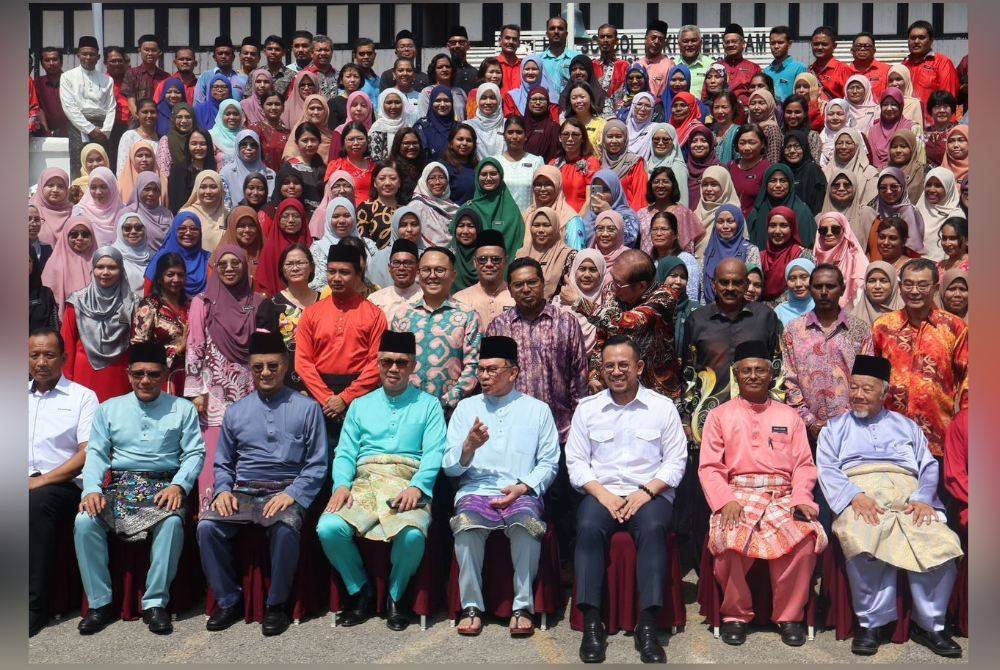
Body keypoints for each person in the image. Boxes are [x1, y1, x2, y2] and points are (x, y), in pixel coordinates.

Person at [816, 355, 963, 658]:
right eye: (854, 387)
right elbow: (827, 468)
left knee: (940, 542)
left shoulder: (907, 426)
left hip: (909, 495)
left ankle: (931, 624)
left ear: (884, 394)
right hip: (862, 494)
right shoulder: (834, 428)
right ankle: (871, 624)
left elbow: (928, 466)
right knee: (863, 538)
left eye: (867, 389)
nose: (858, 394)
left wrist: (923, 497)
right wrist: (853, 495)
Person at [197, 330, 326, 637]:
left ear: (285, 365)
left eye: (272, 365)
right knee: (207, 527)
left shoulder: (308, 408)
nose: (265, 373)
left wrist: (293, 493)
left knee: (285, 528)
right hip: (243, 491)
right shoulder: (236, 411)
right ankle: (229, 601)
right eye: (258, 367)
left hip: (285, 490)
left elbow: (317, 463)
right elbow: (223, 462)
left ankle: (276, 605)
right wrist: (223, 490)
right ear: (250, 369)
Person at [567, 334, 687, 663]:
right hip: (601, 492)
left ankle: (647, 627)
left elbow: (676, 461)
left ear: (639, 367)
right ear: (601, 369)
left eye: (624, 365)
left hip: (649, 493)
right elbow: (576, 462)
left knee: (653, 529)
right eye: (609, 366)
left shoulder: (661, 408)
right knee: (588, 526)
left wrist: (645, 492)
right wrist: (603, 495)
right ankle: (592, 625)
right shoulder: (588, 409)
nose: (616, 372)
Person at [699, 340, 827, 647]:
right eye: (746, 370)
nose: (753, 376)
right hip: (737, 493)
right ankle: (735, 615)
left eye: (760, 370)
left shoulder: (789, 416)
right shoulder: (720, 415)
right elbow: (710, 467)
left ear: (771, 374)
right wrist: (725, 501)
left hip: (783, 496)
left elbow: (804, 465)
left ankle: (789, 616)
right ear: (736, 375)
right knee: (729, 538)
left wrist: (801, 499)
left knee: (804, 538)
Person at [317, 330, 446, 630]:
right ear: (377, 363)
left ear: (413, 366)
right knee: (328, 527)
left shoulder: (429, 405)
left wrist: (418, 486)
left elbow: (434, 452)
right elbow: (345, 452)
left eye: (402, 362)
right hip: (364, 481)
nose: (393, 368)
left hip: (407, 482)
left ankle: (395, 596)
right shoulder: (360, 405)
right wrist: (341, 485)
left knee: (412, 534)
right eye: (387, 361)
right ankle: (360, 590)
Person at [73, 342, 204, 635]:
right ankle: (100, 604)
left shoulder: (182, 408)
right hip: (121, 486)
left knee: (172, 522)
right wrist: (91, 489)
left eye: (153, 374)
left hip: (163, 486)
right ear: (128, 374)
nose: (145, 380)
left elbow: (194, 453)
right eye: (139, 374)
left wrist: (179, 486)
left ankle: (155, 603)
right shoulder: (109, 409)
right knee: (84, 521)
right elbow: (96, 453)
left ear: (165, 375)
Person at [443, 335, 560, 636]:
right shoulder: (466, 409)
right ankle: (471, 606)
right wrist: (468, 447)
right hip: (475, 489)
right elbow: (449, 466)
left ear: (513, 372)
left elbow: (549, 462)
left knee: (525, 526)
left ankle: (522, 607)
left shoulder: (537, 410)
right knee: (465, 525)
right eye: (481, 369)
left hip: (520, 490)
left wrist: (523, 487)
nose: (484, 376)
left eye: (492, 369)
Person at [28, 328, 99, 637]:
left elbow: (87, 453)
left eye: (49, 355)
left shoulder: (82, 396)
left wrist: (40, 481)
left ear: (64, 358)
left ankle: (34, 606)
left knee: (35, 503)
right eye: (34, 355)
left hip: (64, 485)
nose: (41, 362)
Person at [872, 259, 967, 459]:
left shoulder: (954, 327)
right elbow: (871, 379)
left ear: (935, 288)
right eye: (908, 284)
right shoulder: (882, 327)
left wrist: (965, 421)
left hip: (938, 436)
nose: (914, 291)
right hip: (891, 436)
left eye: (922, 285)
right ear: (900, 287)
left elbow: (969, 377)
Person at [294, 243, 387, 444]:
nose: (336, 278)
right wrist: (327, 398)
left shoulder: (374, 315)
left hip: (360, 396)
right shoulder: (311, 313)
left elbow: (376, 363)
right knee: (318, 454)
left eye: (344, 272)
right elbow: (303, 362)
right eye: (331, 271)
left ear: (358, 275)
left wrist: (345, 398)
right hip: (318, 395)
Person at [61, 246, 136, 402]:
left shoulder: (133, 303)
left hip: (119, 374)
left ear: (121, 270)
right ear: (93, 269)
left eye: (112, 267)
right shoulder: (77, 302)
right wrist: (66, 382)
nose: (105, 272)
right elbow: (67, 345)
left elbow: (137, 344)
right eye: (100, 267)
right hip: (83, 374)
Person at [61, 36, 118, 180]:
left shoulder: (107, 79)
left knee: (102, 164)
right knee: (79, 164)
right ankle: (78, 193)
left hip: (102, 128)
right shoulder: (67, 77)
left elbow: (111, 107)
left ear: (98, 57)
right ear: (78, 55)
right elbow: (69, 107)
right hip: (79, 127)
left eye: (92, 54)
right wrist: (90, 129)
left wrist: (105, 130)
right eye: (84, 54)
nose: (88, 57)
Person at [453, 229, 516, 330]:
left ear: (505, 261)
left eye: (496, 259)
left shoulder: (516, 298)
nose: (489, 264)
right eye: (482, 259)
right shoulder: (460, 300)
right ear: (475, 262)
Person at [747, 164, 819, 249]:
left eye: (783, 181)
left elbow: (809, 243)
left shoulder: (802, 211)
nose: (778, 185)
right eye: (773, 181)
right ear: (765, 184)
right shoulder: (758, 212)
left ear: (790, 184)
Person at [902, 20, 959, 121]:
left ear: (931, 40)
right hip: (907, 124)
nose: (916, 41)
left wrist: (943, 126)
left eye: (921, 37)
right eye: (913, 38)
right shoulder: (903, 66)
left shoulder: (942, 63)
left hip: (932, 125)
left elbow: (948, 99)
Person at [515, 208, 576, 299]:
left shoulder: (569, 255)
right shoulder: (521, 254)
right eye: (536, 225)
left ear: (555, 227)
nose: (541, 230)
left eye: (546, 225)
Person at [813, 212, 868, 308]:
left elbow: (860, 299)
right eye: (823, 230)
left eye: (835, 229)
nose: (829, 233)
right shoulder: (812, 259)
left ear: (844, 231)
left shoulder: (857, 260)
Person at [761, 207, 813, 302]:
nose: (777, 231)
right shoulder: (761, 257)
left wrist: (773, 307)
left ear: (792, 228)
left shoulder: (803, 255)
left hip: (794, 307)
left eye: (783, 226)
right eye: (772, 225)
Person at [368, 238, 422, 325]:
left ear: (417, 268)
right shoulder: (375, 300)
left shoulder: (427, 297)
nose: (401, 268)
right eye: (396, 263)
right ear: (389, 268)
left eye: (407, 263)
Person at [408, 162, 459, 248]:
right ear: (424, 181)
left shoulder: (453, 208)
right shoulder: (416, 206)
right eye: (432, 178)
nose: (437, 182)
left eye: (441, 177)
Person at [194, 37, 247, 105]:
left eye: (227, 53)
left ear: (233, 57)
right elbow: (198, 103)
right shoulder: (205, 77)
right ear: (214, 57)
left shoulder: (242, 79)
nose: (223, 56)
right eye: (220, 53)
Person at [718, 24, 762, 107]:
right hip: (721, 111)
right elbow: (706, 95)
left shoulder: (754, 68)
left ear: (743, 44)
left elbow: (760, 94)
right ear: (723, 45)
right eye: (727, 42)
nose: (730, 45)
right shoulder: (716, 67)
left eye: (734, 41)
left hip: (747, 111)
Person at [592, 24, 630, 112]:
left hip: (619, 115)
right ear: (598, 41)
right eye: (602, 37)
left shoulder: (624, 66)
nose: (605, 40)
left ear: (616, 41)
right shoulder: (592, 66)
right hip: (595, 115)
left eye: (609, 37)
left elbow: (629, 94)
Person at [764, 27, 808, 103]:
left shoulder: (799, 68)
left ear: (789, 44)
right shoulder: (766, 71)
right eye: (773, 43)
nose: (776, 46)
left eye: (780, 42)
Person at [540, 15, 582, 94]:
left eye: (560, 28)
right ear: (547, 34)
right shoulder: (538, 60)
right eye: (552, 28)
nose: (556, 31)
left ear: (566, 34)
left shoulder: (577, 58)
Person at [35, 46, 69, 137]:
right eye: (47, 60)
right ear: (42, 64)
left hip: (71, 134)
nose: (51, 63)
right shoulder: (37, 83)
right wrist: (46, 131)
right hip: (46, 135)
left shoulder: (71, 81)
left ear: (61, 62)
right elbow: (38, 108)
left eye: (55, 59)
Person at [808, 27, 848, 101]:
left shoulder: (843, 70)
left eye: (824, 44)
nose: (819, 47)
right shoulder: (809, 70)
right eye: (816, 44)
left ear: (834, 46)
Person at [29, 247, 59, 332]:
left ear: (33, 264)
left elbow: (54, 329)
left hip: (41, 340)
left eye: (28, 260)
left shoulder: (45, 293)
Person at [497, 25, 523, 95]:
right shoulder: (492, 65)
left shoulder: (524, 66)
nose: (511, 42)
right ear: (500, 41)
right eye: (507, 38)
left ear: (518, 43)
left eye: (514, 39)